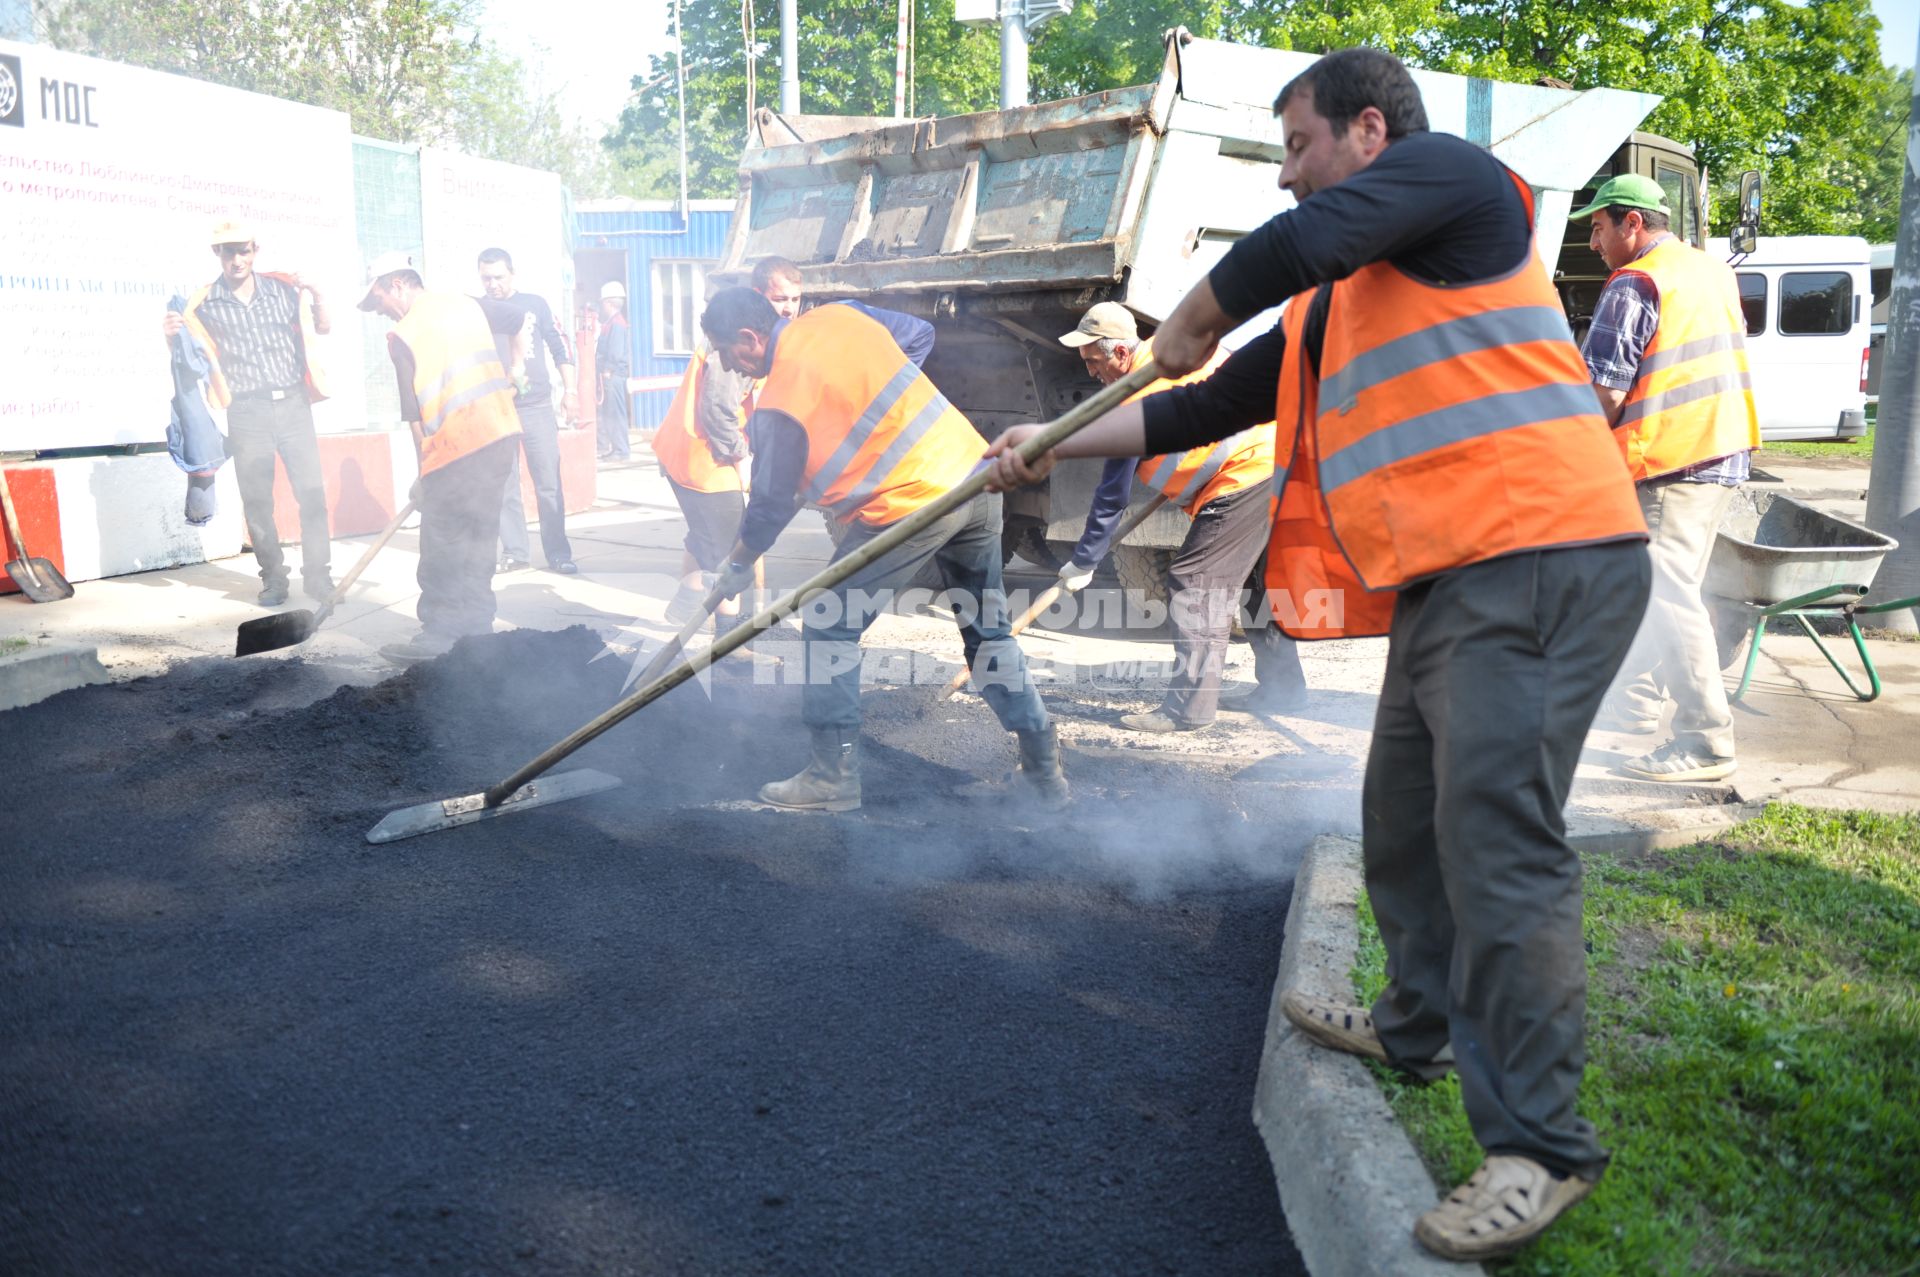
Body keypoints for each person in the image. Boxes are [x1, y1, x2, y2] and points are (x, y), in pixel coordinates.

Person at [985, 49, 1651, 1262]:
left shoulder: (1459, 185)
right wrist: (1049, 443)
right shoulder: (1336, 309)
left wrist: (1189, 310)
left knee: (1496, 834)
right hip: (1452, 579)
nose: (1289, 178)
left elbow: (1282, 256)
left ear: (1367, 132)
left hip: (1546, 553)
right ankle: (1414, 1024)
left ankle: (1540, 1147)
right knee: (1401, 813)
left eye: (1297, 148)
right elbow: (1199, 403)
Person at [700, 286, 1065, 813]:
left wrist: (736, 565)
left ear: (749, 338)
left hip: (912, 501)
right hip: (973, 476)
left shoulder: (779, 400)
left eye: (726, 352)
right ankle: (1043, 773)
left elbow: (768, 507)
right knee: (987, 632)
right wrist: (876, 410)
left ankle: (831, 778)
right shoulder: (840, 317)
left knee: (828, 622)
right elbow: (920, 334)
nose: (729, 365)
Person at [1574, 175, 1758, 783]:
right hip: (1718, 453)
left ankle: (1706, 743)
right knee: (1656, 592)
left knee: (1669, 598)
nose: (1594, 244)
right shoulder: (1707, 270)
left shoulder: (1636, 282)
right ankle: (1633, 705)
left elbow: (1603, 394)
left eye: (1599, 229)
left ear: (1632, 223)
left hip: (1668, 460)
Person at [1055, 301, 1307, 731]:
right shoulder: (1179, 350)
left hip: (1245, 475)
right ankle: (1283, 690)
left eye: (1093, 362)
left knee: (1195, 581)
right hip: (1281, 461)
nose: (1091, 374)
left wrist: (1083, 562)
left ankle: (1187, 710)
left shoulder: (1130, 401)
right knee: (1254, 580)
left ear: (1118, 353)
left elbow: (1111, 497)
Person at [358, 252, 525, 664]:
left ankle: (441, 634)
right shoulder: (466, 303)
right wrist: (518, 369)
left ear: (397, 283)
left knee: (442, 543)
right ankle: (476, 630)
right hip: (500, 435)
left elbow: (416, 419)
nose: (380, 313)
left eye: (378, 300)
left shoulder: (405, 335)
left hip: (455, 449)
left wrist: (424, 474)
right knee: (479, 537)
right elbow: (519, 318)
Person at [163, 217, 334, 607]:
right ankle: (273, 579)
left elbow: (323, 327)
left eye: (243, 250)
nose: (236, 259)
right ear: (217, 254)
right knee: (257, 501)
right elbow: (188, 360)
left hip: (293, 406)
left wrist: (319, 292)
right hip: (246, 413)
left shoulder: (284, 290)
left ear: (255, 251)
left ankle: (319, 578)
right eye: (228, 251)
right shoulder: (203, 304)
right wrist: (171, 336)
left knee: (311, 495)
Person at [476, 247, 579, 576]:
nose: (493, 284)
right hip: (498, 408)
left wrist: (571, 391)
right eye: (486, 278)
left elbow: (559, 344)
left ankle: (558, 554)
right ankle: (516, 553)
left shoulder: (535, 304)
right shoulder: (479, 311)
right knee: (504, 485)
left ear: (512, 274)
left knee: (548, 482)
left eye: (498, 277)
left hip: (535, 406)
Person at [595, 281, 632, 461]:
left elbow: (615, 351)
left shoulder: (616, 323)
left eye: (602, 302)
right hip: (612, 375)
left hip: (614, 375)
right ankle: (616, 448)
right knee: (611, 412)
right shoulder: (612, 322)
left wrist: (608, 370)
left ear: (608, 302)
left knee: (616, 413)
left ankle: (621, 451)